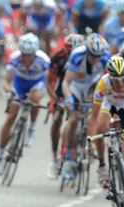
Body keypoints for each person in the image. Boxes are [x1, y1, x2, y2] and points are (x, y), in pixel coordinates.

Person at [0, 33, 50, 173]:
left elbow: (49, 82)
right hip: (19, 84)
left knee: (35, 99)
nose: (26, 58)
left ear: (35, 53)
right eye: (24, 54)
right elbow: (7, 80)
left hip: (37, 82)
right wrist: (9, 91)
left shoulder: (43, 60)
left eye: (29, 55)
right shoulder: (15, 58)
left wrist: (43, 93)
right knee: (11, 117)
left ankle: (32, 128)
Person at [89, 56, 124, 207]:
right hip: (108, 102)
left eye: (121, 80)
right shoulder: (103, 83)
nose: (118, 84)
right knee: (101, 127)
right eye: (115, 81)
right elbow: (93, 117)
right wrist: (90, 140)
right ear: (109, 77)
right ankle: (103, 166)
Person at [60, 33, 110, 180]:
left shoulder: (106, 57)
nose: (96, 59)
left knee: (94, 117)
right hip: (76, 86)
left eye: (98, 56)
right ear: (87, 51)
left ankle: (91, 144)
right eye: (93, 55)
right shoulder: (77, 55)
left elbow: (108, 82)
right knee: (74, 118)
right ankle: (69, 157)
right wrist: (69, 99)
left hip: (94, 86)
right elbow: (65, 82)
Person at [46, 33, 84, 179]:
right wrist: (55, 99)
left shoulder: (86, 57)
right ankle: (55, 158)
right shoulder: (58, 58)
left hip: (81, 91)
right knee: (56, 118)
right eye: (70, 52)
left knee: (84, 118)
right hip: (63, 91)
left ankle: (83, 147)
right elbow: (49, 81)